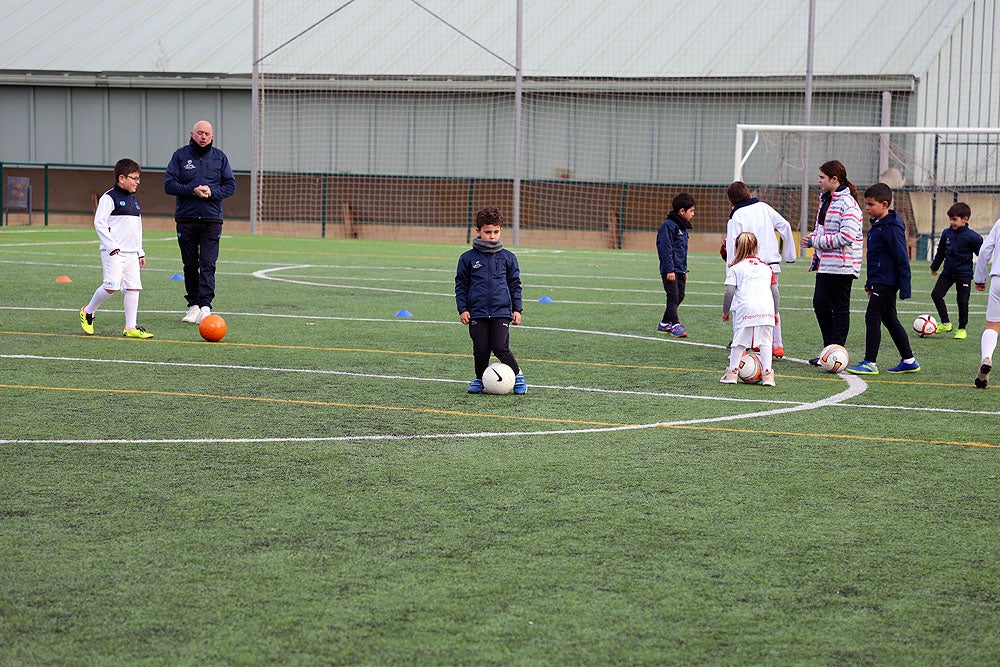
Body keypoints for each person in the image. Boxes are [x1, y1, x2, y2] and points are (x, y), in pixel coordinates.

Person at [164, 120, 237, 324]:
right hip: (186, 219)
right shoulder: (180, 156)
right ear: (192, 134)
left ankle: (206, 306)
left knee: (207, 264)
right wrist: (192, 190)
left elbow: (231, 186)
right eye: (199, 133)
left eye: (207, 134)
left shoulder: (220, 157)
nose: (203, 136)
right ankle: (193, 306)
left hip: (211, 219)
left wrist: (212, 192)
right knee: (189, 264)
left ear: (212, 137)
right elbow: (168, 185)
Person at [845, 183, 919, 374]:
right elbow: (876, 258)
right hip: (880, 280)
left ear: (884, 204)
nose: (867, 208)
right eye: (866, 204)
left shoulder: (891, 227)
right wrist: (871, 282)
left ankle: (870, 362)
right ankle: (909, 360)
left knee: (872, 316)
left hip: (887, 281)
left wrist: (905, 287)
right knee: (889, 318)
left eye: (870, 204)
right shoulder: (877, 225)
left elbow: (901, 257)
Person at [79, 158, 153, 339]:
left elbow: (137, 228)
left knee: (134, 288)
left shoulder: (134, 201)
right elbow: (99, 223)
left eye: (138, 178)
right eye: (134, 178)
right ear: (121, 178)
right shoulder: (109, 197)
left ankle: (130, 327)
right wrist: (111, 246)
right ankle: (88, 311)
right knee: (111, 287)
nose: (137, 182)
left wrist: (140, 251)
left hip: (131, 254)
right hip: (114, 252)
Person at [455, 206, 526, 394]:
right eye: (487, 232)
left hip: (501, 311)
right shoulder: (467, 258)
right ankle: (480, 379)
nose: (492, 236)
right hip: (477, 311)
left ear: (501, 230)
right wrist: (463, 309)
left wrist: (517, 309)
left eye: (496, 232)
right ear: (478, 231)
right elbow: (461, 285)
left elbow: (515, 284)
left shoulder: (508, 258)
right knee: (481, 349)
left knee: (500, 347)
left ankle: (518, 375)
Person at [801, 160, 863, 365]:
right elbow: (822, 228)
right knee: (819, 304)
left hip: (842, 266)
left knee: (840, 307)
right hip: (826, 264)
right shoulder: (825, 199)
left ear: (834, 179)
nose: (818, 181)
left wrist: (815, 241)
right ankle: (828, 351)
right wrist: (814, 237)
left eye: (821, 178)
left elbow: (846, 236)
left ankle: (836, 351)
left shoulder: (849, 204)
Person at [724, 181, 796, 357]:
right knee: (770, 305)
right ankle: (777, 345)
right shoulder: (764, 207)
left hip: (747, 268)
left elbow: (733, 246)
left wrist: (731, 270)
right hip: (770, 266)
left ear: (731, 202)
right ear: (748, 194)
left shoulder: (736, 216)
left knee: (742, 304)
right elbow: (785, 225)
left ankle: (740, 344)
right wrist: (790, 255)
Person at [721, 232, 779, 387]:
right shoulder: (767, 268)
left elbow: (729, 292)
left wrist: (725, 311)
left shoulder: (735, 268)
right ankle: (768, 375)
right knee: (766, 342)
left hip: (746, 309)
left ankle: (732, 373)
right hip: (766, 309)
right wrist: (776, 312)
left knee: (739, 342)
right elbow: (775, 291)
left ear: (737, 249)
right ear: (757, 248)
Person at [930, 202, 983, 340]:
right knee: (936, 294)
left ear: (965, 219)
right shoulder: (946, 233)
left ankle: (962, 328)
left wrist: (981, 275)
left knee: (962, 301)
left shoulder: (973, 237)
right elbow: (941, 251)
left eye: (955, 219)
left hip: (964, 274)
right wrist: (935, 266)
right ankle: (946, 323)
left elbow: (982, 256)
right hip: (948, 272)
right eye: (950, 219)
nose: (951, 222)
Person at [655, 192, 695, 337]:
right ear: (681, 211)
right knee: (673, 296)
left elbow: (682, 251)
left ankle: (665, 322)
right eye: (691, 211)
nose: (693, 214)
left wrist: (684, 270)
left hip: (679, 269)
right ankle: (676, 324)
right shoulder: (668, 226)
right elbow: (665, 249)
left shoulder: (683, 228)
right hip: (670, 270)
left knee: (680, 296)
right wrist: (669, 269)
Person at [972, 217, 1000, 388]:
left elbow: (984, 250)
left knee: (993, 325)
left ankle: (987, 357)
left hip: (998, 278)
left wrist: (980, 277)